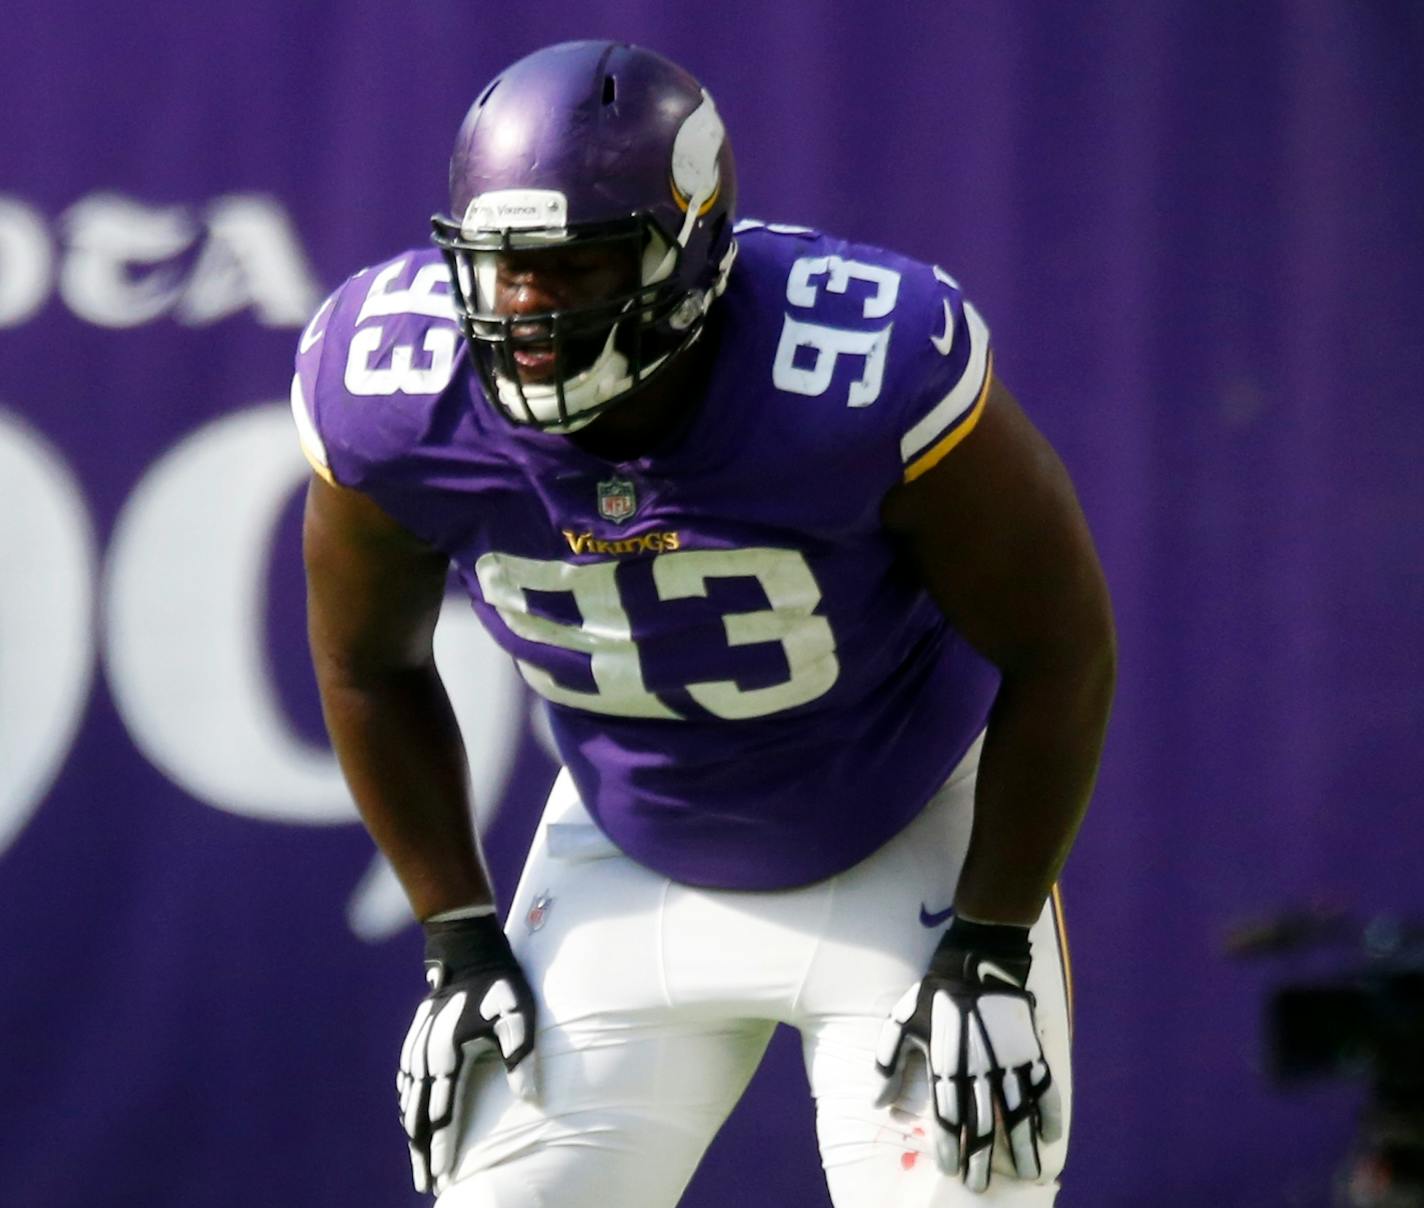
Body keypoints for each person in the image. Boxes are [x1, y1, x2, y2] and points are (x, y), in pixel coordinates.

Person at [293, 39, 1114, 1208]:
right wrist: (457, 930)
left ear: (690, 250)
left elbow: (1060, 649)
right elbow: (364, 664)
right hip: (625, 852)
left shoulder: (862, 366)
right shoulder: (394, 387)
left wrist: (988, 936)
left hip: (905, 838)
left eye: (574, 266)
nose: (525, 309)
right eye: (499, 266)